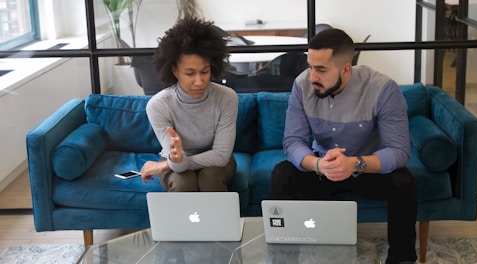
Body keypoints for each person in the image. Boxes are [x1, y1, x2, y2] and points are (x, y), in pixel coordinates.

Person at [269, 28, 417, 264]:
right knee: (282, 173)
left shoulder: (382, 89)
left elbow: (399, 151)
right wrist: (318, 164)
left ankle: (401, 259)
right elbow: (292, 142)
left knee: (403, 181)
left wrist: (355, 164)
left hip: (365, 169)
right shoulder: (301, 85)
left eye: (321, 69)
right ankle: (283, 259)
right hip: (322, 168)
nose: (312, 76)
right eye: (310, 66)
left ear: (346, 69)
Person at [140, 18, 238, 192]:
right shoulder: (158, 105)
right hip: (175, 159)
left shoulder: (226, 98)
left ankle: (220, 220)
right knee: (183, 183)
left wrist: (164, 166)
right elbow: (178, 164)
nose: (199, 81)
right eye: (190, 73)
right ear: (174, 71)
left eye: (205, 71)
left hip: (215, 161)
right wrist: (176, 162)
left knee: (209, 179)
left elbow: (221, 156)